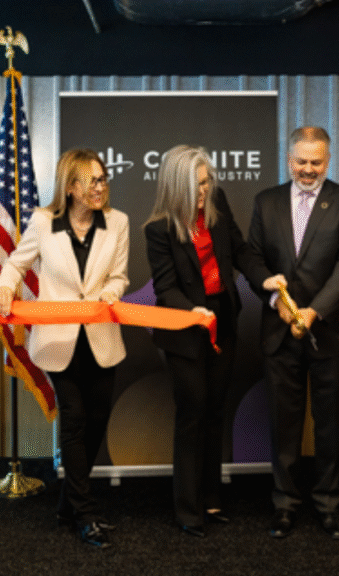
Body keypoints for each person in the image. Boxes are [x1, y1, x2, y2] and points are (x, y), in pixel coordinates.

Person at [144, 145, 284, 538]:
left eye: (206, 182)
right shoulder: (158, 229)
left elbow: (240, 250)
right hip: (185, 329)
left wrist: (264, 279)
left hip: (223, 319)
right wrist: (192, 311)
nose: (203, 192)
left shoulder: (216, 205)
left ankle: (210, 497)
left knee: (216, 411)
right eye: (195, 185)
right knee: (193, 413)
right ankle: (187, 508)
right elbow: (166, 287)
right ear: (176, 186)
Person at [0, 149, 129, 549]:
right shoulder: (42, 221)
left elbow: (120, 276)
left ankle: (69, 503)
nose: (101, 187)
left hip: (101, 338)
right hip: (57, 341)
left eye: (104, 179)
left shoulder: (117, 222)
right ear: (71, 187)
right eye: (92, 181)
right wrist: (4, 286)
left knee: (96, 422)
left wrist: (108, 293)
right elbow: (16, 264)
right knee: (73, 420)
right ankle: (85, 514)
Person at [247, 126, 339, 540]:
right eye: (301, 161)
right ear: (289, 158)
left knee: (330, 424)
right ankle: (284, 505)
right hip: (278, 333)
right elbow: (253, 258)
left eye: (317, 161)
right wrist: (275, 298)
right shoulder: (266, 202)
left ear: (328, 160)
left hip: (329, 332)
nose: (309, 169)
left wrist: (315, 311)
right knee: (284, 424)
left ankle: (329, 505)